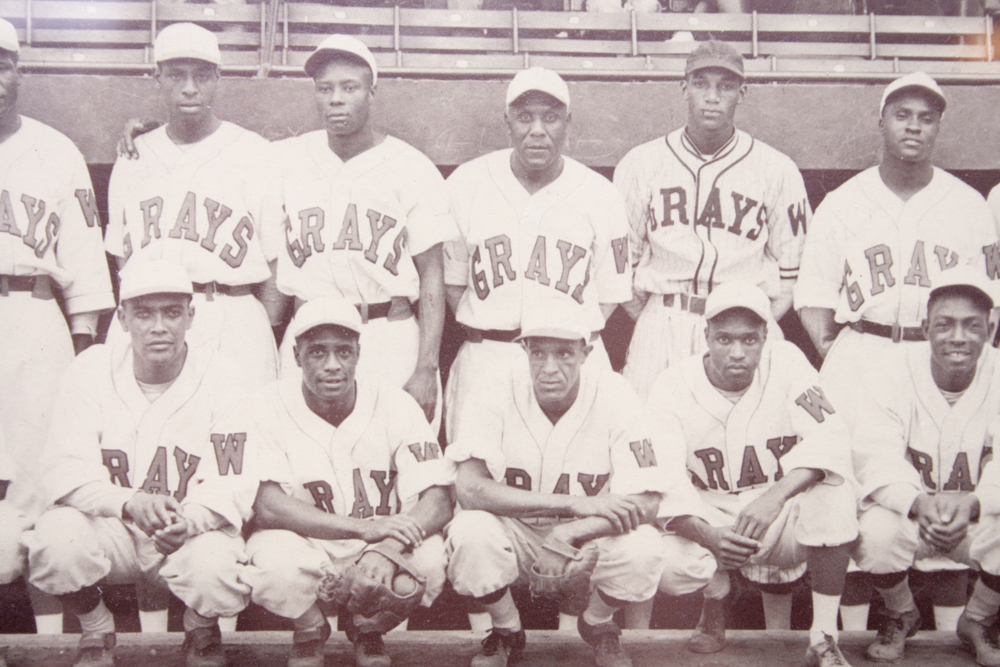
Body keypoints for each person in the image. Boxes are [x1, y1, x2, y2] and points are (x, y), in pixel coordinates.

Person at [445, 303, 713, 667]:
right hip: (516, 534)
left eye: (564, 354)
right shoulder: (494, 386)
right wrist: (571, 505)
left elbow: (648, 500)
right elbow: (470, 488)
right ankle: (507, 629)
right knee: (469, 530)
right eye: (538, 352)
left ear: (586, 353)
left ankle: (598, 623)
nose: (550, 368)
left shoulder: (616, 394)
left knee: (645, 546)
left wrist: (572, 531)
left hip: (588, 538)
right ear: (524, 350)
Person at [22, 260, 253, 667]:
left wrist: (192, 520)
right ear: (123, 318)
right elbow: (64, 468)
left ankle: (200, 629)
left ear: (191, 316)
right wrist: (129, 502)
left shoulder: (225, 376)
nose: (159, 326)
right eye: (144, 313)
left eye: (171, 312)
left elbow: (233, 481)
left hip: (188, 531)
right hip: (113, 528)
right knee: (55, 537)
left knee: (218, 567)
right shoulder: (91, 368)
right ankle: (96, 628)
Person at [232, 296, 453, 667]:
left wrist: (385, 548)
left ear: (358, 354)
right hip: (309, 545)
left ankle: (368, 630)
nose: (332, 365)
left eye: (343, 352)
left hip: (383, 543)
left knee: (429, 561)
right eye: (318, 352)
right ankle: (309, 628)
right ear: (297, 355)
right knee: (271, 561)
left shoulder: (395, 403)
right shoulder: (266, 404)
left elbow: (439, 498)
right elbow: (267, 506)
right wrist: (363, 530)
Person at [647, 282, 859, 667]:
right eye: (725, 339)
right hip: (710, 516)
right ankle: (715, 595)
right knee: (660, 558)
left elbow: (830, 436)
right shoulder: (671, 385)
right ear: (706, 335)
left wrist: (775, 496)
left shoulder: (789, 362)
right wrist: (707, 535)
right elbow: (660, 479)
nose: (738, 353)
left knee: (836, 493)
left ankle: (824, 636)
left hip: (777, 515)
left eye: (750, 339)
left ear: (766, 337)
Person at [795, 71, 999, 433]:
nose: (914, 127)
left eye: (926, 118)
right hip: (864, 351)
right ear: (882, 122)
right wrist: (840, 352)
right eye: (902, 115)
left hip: (936, 359)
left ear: (938, 127)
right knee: (852, 469)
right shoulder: (842, 202)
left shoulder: (969, 206)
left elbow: (991, 299)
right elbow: (814, 294)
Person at [269, 35, 455, 426]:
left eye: (349, 87)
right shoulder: (284, 159)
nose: (336, 99)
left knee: (397, 463)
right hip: (311, 334)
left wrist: (426, 367)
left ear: (372, 92)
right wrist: (142, 131)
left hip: (387, 332)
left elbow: (433, 275)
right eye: (325, 89)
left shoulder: (412, 166)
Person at [0, 16, 116, 634]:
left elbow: (84, 264)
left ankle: (48, 641)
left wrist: (82, 350)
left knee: (41, 483)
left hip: (33, 311)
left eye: (3, 62)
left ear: (20, 71)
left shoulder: (56, 149)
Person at [613, 40, 810, 402]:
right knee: (648, 433)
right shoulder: (640, 164)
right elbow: (619, 265)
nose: (713, 96)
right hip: (665, 319)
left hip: (741, 325)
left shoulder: (777, 169)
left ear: (742, 92)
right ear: (684, 87)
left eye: (726, 85)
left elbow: (793, 273)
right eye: (702, 83)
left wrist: (752, 320)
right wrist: (655, 315)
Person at [443, 67, 633, 441]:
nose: (537, 130)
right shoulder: (465, 183)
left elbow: (609, 295)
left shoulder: (600, 193)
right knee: (477, 483)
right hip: (488, 356)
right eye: (525, 116)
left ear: (568, 122)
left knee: (577, 480)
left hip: (570, 364)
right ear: (507, 122)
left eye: (550, 117)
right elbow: (452, 283)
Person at [106, 22, 283, 391]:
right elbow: (122, 258)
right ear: (157, 78)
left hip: (230, 314)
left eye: (201, 76)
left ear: (217, 77)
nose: (189, 87)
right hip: (151, 321)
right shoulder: (133, 155)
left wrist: (256, 331)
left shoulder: (256, 153)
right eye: (175, 76)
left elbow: (276, 265)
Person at [848, 269, 1000, 665]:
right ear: (924, 327)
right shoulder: (889, 369)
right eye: (945, 324)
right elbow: (874, 453)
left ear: (991, 327)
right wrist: (918, 502)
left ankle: (979, 619)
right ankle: (901, 612)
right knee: (873, 530)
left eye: (972, 325)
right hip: (913, 515)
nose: (958, 337)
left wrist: (973, 504)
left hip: (978, 516)